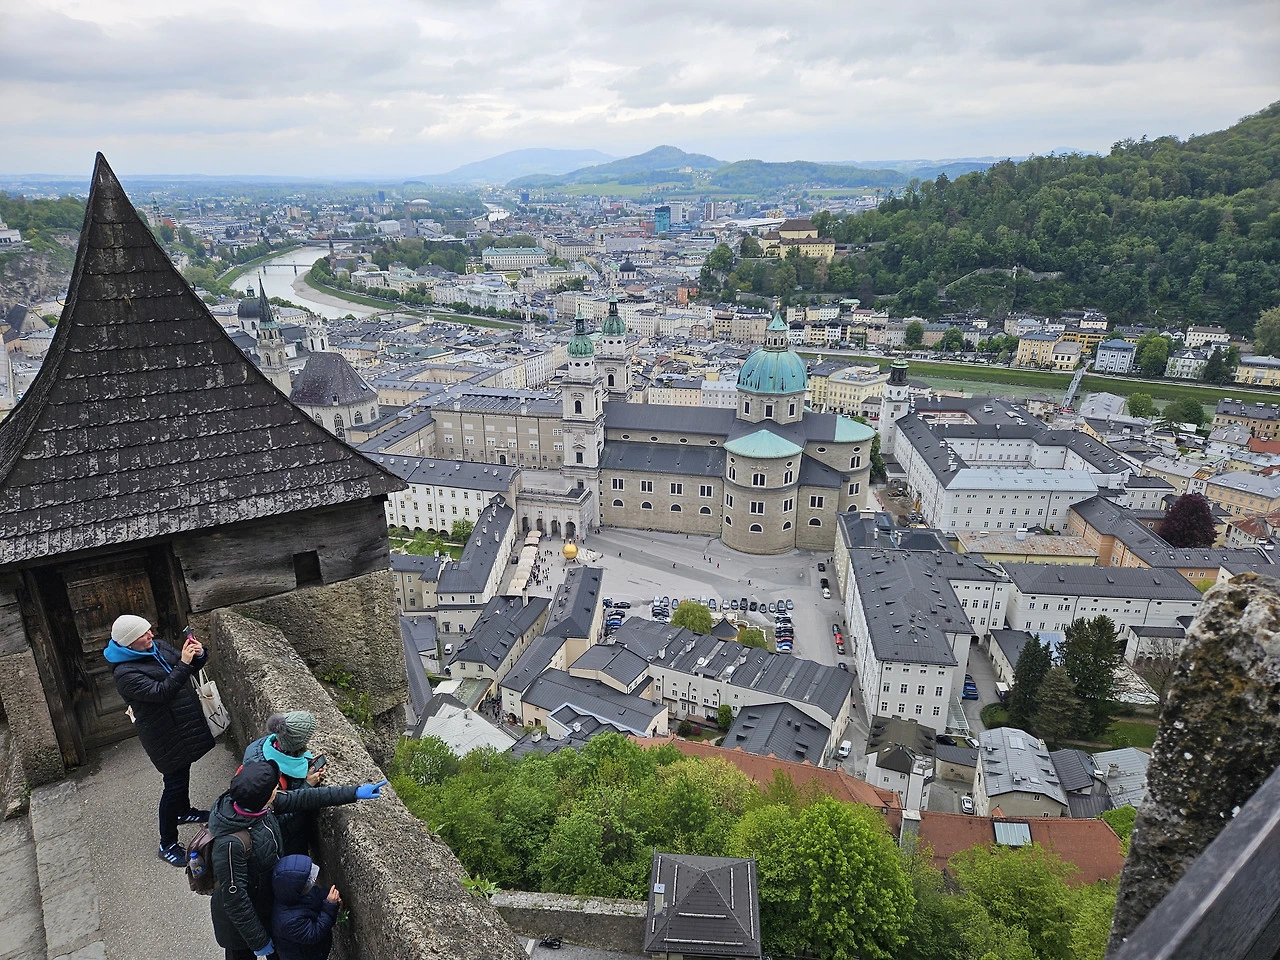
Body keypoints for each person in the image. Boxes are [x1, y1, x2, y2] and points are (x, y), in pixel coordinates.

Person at [210, 760, 387, 960]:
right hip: (239, 929)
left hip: (270, 909)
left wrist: (354, 792)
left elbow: (304, 797)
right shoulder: (231, 844)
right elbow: (235, 900)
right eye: (274, 788)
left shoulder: (260, 806)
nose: (277, 789)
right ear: (264, 797)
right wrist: (259, 941)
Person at [105, 614, 215, 866]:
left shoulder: (157, 646)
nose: (151, 635)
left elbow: (188, 668)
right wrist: (185, 663)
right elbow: (161, 692)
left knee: (183, 770)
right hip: (162, 734)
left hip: (181, 724)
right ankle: (167, 844)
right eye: (143, 634)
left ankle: (183, 812)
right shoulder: (125, 674)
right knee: (173, 784)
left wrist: (199, 655)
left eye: (149, 630)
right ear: (129, 642)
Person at [242, 712, 325, 856]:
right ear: (298, 744)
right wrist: (307, 785)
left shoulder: (259, 747)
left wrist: (306, 763)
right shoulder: (272, 779)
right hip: (283, 839)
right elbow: (278, 816)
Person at [271, 854, 341, 960]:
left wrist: (329, 895)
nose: (312, 881)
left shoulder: (291, 893)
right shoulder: (289, 921)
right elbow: (314, 933)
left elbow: (316, 894)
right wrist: (330, 905)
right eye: (308, 880)